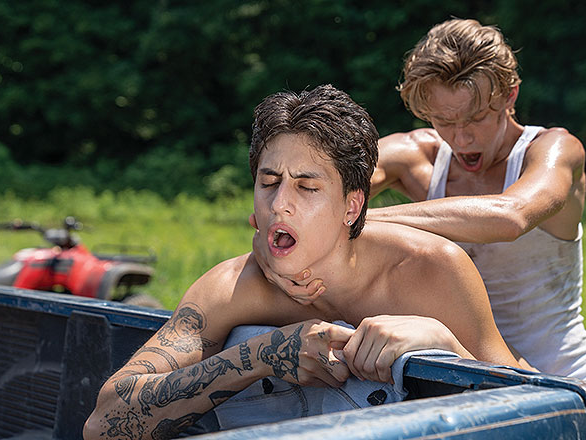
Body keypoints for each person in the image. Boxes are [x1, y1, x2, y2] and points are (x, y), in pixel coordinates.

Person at [83, 84, 520, 439]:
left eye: (307, 188)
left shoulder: (431, 269)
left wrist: (445, 345)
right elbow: (103, 424)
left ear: (352, 206)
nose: (280, 205)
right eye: (268, 182)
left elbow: (533, 403)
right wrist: (262, 355)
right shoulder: (231, 288)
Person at [367, 18, 586, 389]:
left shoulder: (554, 149)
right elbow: (328, 188)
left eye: (476, 118)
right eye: (443, 120)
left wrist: (364, 220)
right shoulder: (417, 157)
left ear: (509, 96)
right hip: (468, 383)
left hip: (566, 384)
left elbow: (510, 217)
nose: (461, 138)